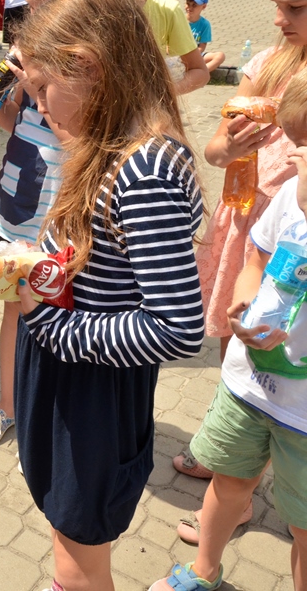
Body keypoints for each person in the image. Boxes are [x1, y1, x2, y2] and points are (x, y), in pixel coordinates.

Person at [11, 0, 204, 591]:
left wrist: (52, 325)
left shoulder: (144, 170)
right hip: (72, 372)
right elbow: (103, 254)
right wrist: (42, 265)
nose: (39, 106)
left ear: (89, 68)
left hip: (93, 392)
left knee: (79, 556)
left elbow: (177, 327)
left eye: (44, 88)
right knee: (68, 531)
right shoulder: (105, 142)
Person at [150, 73, 307, 591]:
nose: (296, 159)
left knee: (304, 527)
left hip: (303, 414)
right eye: (296, 145)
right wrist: (246, 294)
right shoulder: (289, 196)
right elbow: (257, 258)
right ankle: (204, 570)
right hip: (249, 386)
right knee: (228, 482)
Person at [173, 0, 305, 491]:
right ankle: (229, 457)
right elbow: (214, 152)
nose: (277, 19)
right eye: (275, 4)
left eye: (293, 7)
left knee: (290, 357)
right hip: (248, 224)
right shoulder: (268, 65)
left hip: (296, 247)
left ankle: (260, 469)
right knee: (237, 335)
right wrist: (231, 146)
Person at [0, 0, 106, 450]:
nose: (33, 20)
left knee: (62, 312)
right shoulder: (29, 53)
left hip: (63, 213)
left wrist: (39, 89)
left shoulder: (97, 66)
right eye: (30, 7)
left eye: (44, 6)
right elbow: (17, 124)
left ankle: (53, 421)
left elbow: (90, 147)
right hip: (19, 204)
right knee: (15, 308)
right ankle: (8, 407)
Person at [185, 0, 226, 73]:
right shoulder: (179, 20)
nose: (189, 8)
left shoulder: (205, 24)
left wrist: (193, 55)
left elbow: (202, 46)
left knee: (220, 56)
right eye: (188, 4)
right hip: (179, 54)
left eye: (194, 5)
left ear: (203, 6)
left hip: (195, 55)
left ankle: (200, 73)